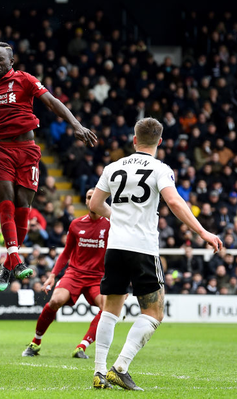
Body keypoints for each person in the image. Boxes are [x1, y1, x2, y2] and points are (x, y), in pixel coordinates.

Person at [0, 42, 97, 291]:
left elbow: (51, 101)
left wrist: (76, 124)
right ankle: (15, 259)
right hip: (1, 150)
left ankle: (8, 265)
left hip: (27, 150)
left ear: (11, 61)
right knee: (6, 201)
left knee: (23, 208)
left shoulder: (24, 79)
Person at [89, 118, 223, 390]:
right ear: (159, 142)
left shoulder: (113, 167)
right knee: (154, 312)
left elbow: (94, 204)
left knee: (110, 309)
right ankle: (120, 367)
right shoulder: (160, 168)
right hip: (142, 248)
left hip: (115, 247)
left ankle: (99, 372)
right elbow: (173, 201)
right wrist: (203, 233)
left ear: (134, 139)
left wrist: (119, 219)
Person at [22, 189, 110, 359]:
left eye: (95, 197)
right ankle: (35, 342)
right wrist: (53, 275)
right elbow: (66, 253)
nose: (92, 200)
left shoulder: (110, 225)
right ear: (85, 202)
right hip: (74, 274)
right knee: (55, 300)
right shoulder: (76, 224)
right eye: (88, 197)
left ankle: (82, 346)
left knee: (106, 309)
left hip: (97, 277)